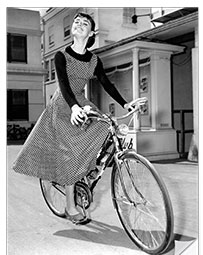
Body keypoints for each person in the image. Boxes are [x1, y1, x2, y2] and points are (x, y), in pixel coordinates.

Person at [13, 12, 132, 225]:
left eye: (84, 23)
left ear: (91, 33)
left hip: (80, 102)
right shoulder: (62, 56)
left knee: (106, 126)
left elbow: (107, 83)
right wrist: (75, 107)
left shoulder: (94, 60)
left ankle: (88, 170)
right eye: (76, 22)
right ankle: (70, 206)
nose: (77, 24)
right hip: (64, 103)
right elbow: (64, 86)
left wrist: (125, 103)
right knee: (71, 154)